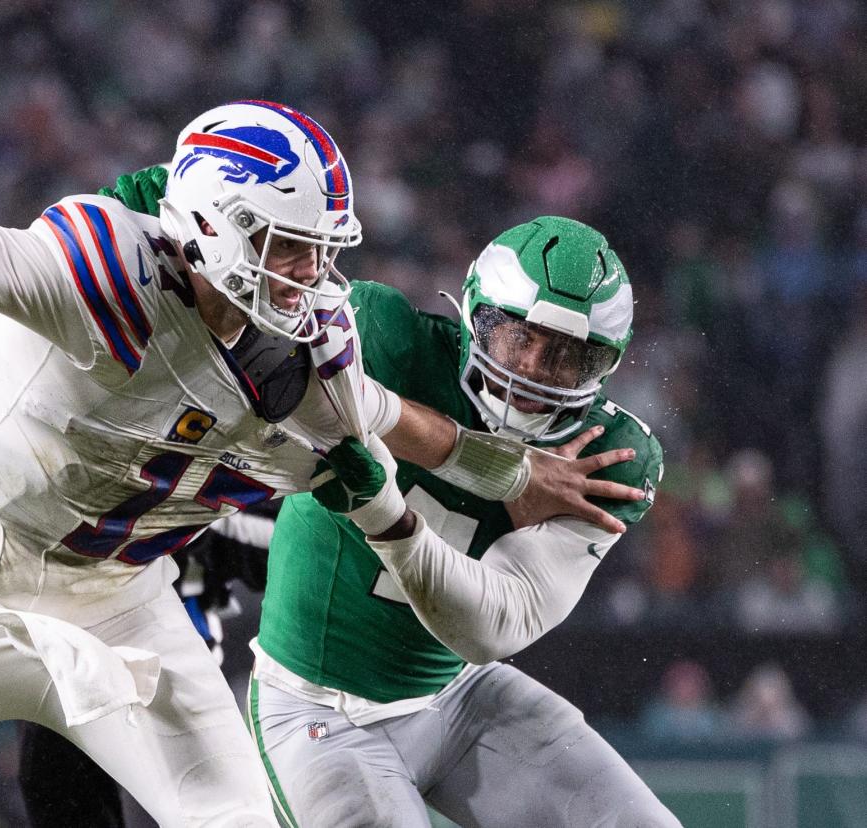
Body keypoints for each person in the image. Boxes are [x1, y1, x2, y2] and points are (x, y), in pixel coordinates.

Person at [0, 101, 639, 827]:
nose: (312, 273)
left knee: (235, 815)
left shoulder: (309, 349)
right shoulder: (97, 270)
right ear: (213, 224)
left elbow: (387, 417)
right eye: (290, 246)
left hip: (117, 599)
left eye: (323, 249)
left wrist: (514, 475)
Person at [250, 216, 678, 827]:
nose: (530, 371)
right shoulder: (384, 335)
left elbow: (492, 627)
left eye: (563, 357)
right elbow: (305, 397)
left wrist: (387, 516)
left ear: (601, 367)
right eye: (516, 338)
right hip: (318, 707)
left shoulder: (607, 456)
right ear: (475, 316)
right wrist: (503, 471)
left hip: (459, 694)